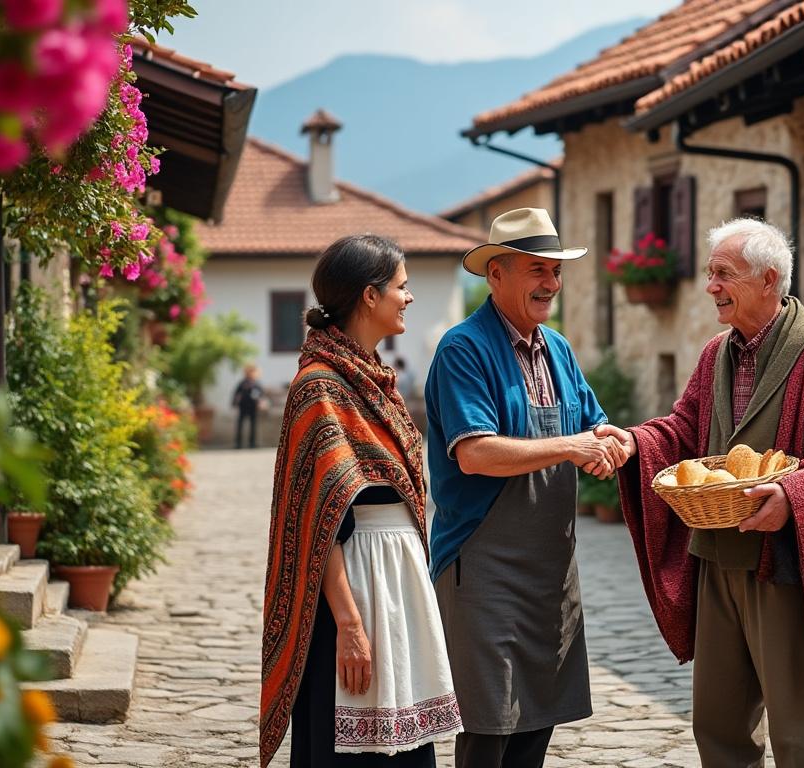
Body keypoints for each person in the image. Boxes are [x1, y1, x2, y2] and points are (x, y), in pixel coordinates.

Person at [597, 218, 804, 768]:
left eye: (724, 274)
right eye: (709, 273)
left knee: (798, 732)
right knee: (717, 727)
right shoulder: (717, 353)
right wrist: (634, 442)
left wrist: (793, 494)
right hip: (715, 558)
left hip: (783, 567)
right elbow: (683, 430)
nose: (711, 285)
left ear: (768, 280)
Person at [424, 208, 628, 768]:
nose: (551, 284)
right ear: (496, 274)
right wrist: (571, 448)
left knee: (539, 719)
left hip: (550, 569)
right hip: (483, 566)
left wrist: (613, 442)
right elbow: (475, 453)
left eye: (556, 272)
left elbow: (591, 424)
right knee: (489, 728)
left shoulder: (557, 349)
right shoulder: (463, 349)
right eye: (538, 269)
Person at [261, 235, 462, 768]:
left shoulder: (375, 379)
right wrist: (349, 623)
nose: (409, 298)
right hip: (353, 585)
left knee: (405, 742)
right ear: (369, 297)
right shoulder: (318, 386)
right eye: (401, 286)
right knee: (350, 743)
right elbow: (316, 518)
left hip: (396, 579)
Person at [232, 364, 265, 449]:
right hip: (243, 406)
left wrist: (261, 402)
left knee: (253, 425)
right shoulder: (243, 383)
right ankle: (238, 443)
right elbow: (236, 393)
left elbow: (261, 394)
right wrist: (234, 402)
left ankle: (252, 443)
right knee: (240, 424)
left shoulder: (257, 384)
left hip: (253, 406)